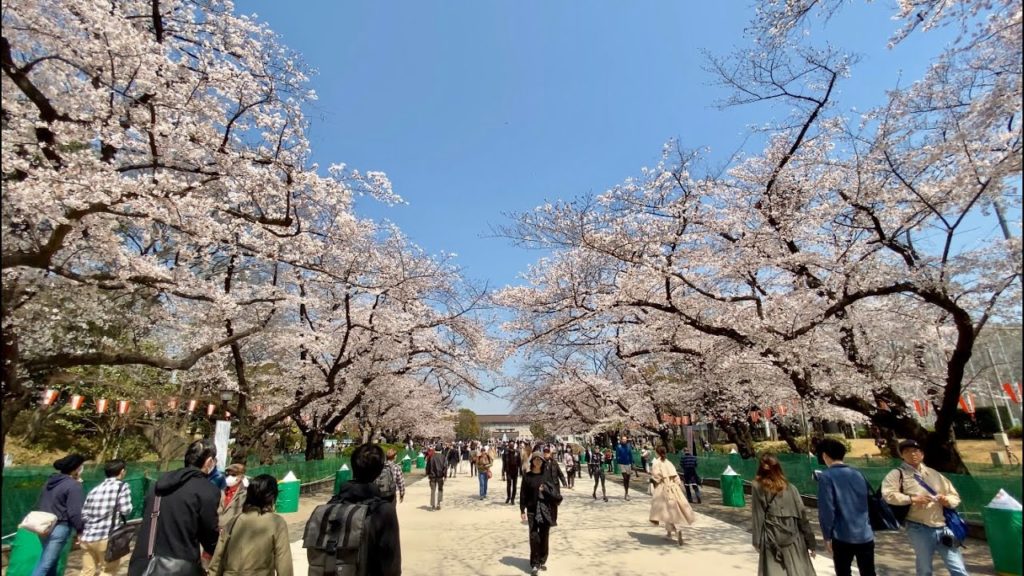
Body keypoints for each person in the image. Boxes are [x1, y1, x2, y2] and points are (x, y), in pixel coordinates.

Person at [127, 439, 221, 576]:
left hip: (144, 565)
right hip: (180, 566)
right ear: (209, 462)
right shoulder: (207, 490)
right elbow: (209, 532)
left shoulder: (158, 484)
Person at [882, 439, 968, 576]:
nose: (912, 454)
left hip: (943, 526)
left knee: (957, 567)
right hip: (918, 527)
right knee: (925, 568)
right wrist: (912, 499)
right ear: (902, 456)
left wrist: (947, 501)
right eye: (907, 452)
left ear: (922, 454)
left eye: (915, 451)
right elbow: (888, 495)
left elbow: (954, 496)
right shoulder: (897, 474)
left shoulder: (934, 474)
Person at [317, 443, 401, 576]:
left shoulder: (329, 507)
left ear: (353, 466)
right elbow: (391, 565)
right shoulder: (383, 511)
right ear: (379, 471)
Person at [208, 474, 292, 575]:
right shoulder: (276, 522)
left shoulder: (233, 521)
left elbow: (217, 559)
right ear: (272, 497)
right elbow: (283, 562)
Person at [815, 438, 875, 576]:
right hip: (865, 533)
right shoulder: (858, 473)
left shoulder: (827, 477)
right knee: (868, 571)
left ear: (825, 455)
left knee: (843, 572)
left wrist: (827, 536)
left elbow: (827, 510)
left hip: (842, 535)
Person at [751, 453, 817, 576]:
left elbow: (758, 515)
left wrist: (757, 541)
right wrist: (811, 542)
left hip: (771, 537)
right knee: (799, 570)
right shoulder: (791, 488)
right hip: (794, 537)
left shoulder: (757, 486)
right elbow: (802, 518)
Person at [31, 453, 86, 576]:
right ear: (76, 468)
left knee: (52, 562)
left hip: (44, 525)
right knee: (45, 564)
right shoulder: (73, 486)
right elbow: (75, 512)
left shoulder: (51, 481)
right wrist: (80, 530)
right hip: (60, 527)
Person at [80, 459, 133, 576]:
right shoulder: (122, 486)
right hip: (107, 538)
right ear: (122, 471)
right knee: (107, 571)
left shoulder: (94, 490)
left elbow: (84, 514)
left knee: (87, 572)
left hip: (88, 537)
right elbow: (126, 509)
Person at [648, 445, 695, 546]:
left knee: (665, 511)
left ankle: (674, 531)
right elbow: (677, 477)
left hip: (663, 488)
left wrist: (652, 480)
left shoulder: (657, 463)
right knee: (674, 510)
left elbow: (656, 477)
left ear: (657, 452)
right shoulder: (669, 463)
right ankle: (670, 532)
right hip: (673, 488)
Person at [520, 453, 557, 575]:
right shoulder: (527, 476)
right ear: (532, 461)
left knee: (544, 536)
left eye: (539, 459)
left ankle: (542, 559)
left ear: (542, 461)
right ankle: (534, 563)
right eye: (535, 459)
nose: (537, 461)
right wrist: (522, 510)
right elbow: (523, 493)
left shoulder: (546, 476)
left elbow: (553, 492)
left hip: (545, 509)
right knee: (534, 536)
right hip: (532, 510)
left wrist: (545, 490)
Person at [218, 462, 249, 530]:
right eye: (227, 474)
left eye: (233, 475)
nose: (229, 477)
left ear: (241, 477)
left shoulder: (245, 495)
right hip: (215, 530)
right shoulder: (221, 491)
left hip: (231, 533)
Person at [427, 443, 447, 510]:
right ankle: (438, 503)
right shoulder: (443, 457)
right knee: (440, 489)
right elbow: (445, 467)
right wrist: (445, 475)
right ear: (441, 450)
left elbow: (428, 467)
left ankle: (432, 505)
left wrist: (428, 474)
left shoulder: (431, 457)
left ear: (435, 449)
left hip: (432, 476)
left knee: (433, 490)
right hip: (440, 476)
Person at [615, 435, 635, 501]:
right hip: (622, 464)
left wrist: (632, 462)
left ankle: (627, 492)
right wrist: (618, 461)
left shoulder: (628, 446)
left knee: (628, 479)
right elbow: (617, 454)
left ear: (626, 440)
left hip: (628, 463)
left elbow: (630, 454)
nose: (624, 440)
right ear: (621, 440)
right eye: (623, 439)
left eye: (625, 439)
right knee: (625, 477)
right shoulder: (619, 446)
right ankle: (626, 493)